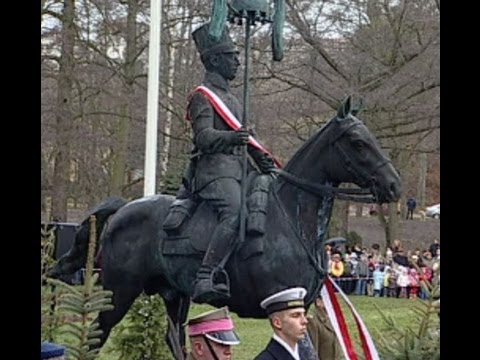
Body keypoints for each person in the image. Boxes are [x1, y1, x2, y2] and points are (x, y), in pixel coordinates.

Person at [170, 22, 277, 304]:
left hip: (240, 169)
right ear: (215, 60)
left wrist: (261, 159)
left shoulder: (234, 99)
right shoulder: (202, 97)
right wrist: (233, 137)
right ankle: (206, 276)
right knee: (235, 212)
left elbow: (243, 139)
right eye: (232, 56)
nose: (238, 62)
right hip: (212, 172)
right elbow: (204, 138)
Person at [255, 287, 309, 360]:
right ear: (277, 323)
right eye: (296, 315)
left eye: (304, 314)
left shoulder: (305, 354)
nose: (304, 321)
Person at [307, 295, 341, 360]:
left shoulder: (332, 318)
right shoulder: (313, 321)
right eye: (328, 299)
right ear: (318, 302)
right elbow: (313, 351)